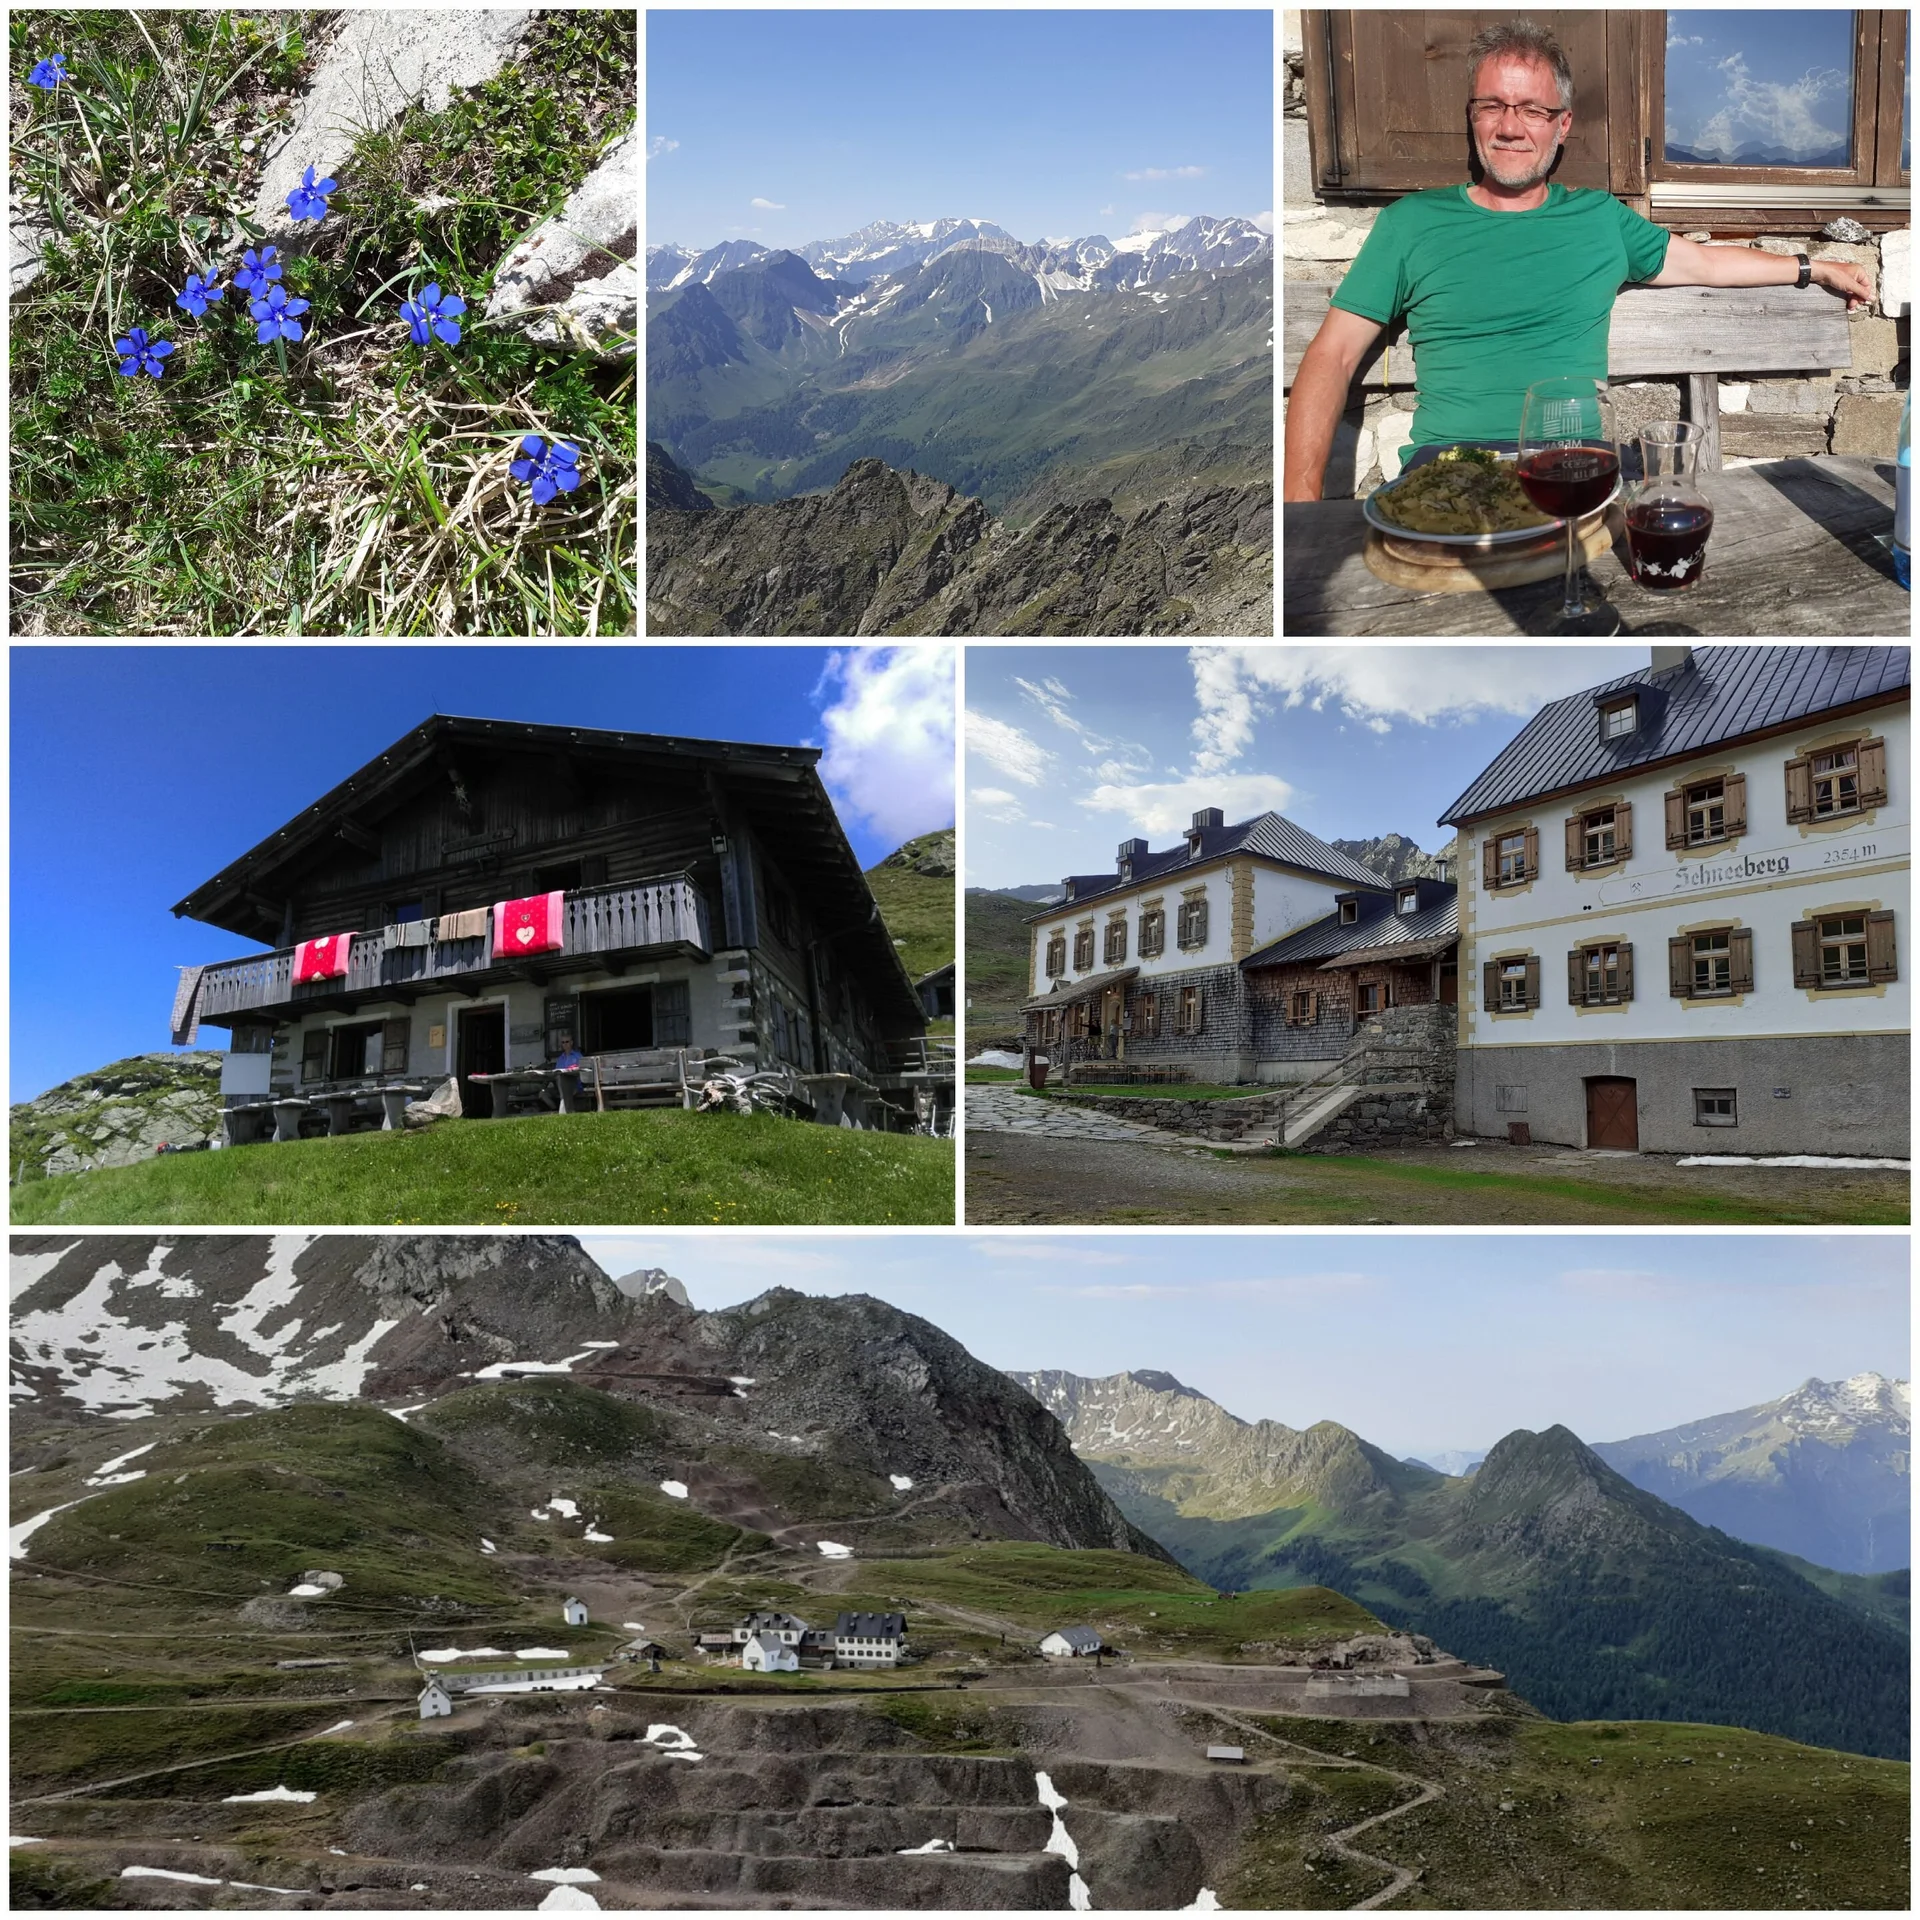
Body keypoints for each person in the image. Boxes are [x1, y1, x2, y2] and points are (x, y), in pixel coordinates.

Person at [1283, 18, 1874, 499]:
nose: (1511, 127)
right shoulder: (1411, 225)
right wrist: (1301, 507)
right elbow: (1332, 357)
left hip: (1575, 464)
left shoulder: (1598, 219)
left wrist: (1811, 266)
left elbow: (1703, 264)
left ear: (1562, 125)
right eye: (1492, 106)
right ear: (1472, 118)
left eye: (1532, 110)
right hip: (1451, 469)